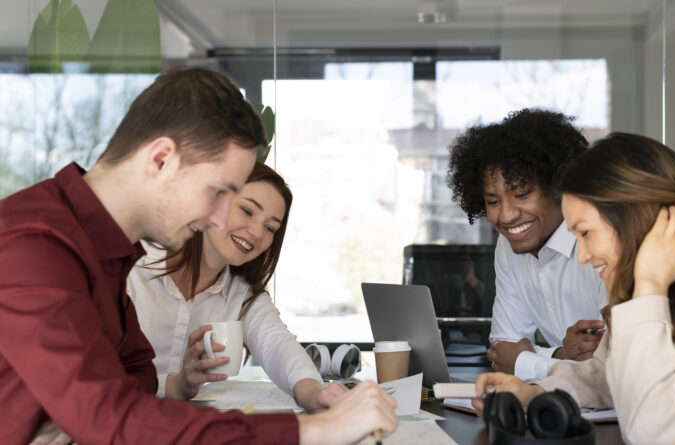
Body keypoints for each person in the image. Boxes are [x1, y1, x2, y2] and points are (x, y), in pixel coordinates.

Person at [0, 68, 397, 445]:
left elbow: (135, 382)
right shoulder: (34, 245)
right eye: (218, 192)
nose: (220, 219)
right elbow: (112, 418)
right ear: (161, 159)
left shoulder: (106, 252)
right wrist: (315, 430)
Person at [474, 133, 675, 444]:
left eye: (585, 233)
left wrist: (648, 288)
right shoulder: (667, 289)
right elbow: (609, 372)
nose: (582, 255)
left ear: (633, 219)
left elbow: (651, 428)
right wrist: (537, 392)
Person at [128, 162, 344, 411]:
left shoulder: (241, 293)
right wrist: (173, 386)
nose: (256, 232)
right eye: (247, 211)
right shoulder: (132, 266)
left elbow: (278, 345)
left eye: (270, 227)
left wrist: (316, 394)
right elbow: (101, 378)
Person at [447, 108, 607, 381]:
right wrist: (561, 356)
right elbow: (501, 351)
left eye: (521, 194)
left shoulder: (603, 239)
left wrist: (525, 362)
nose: (507, 216)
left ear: (558, 187)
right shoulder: (508, 245)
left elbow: (614, 367)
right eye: (493, 201)